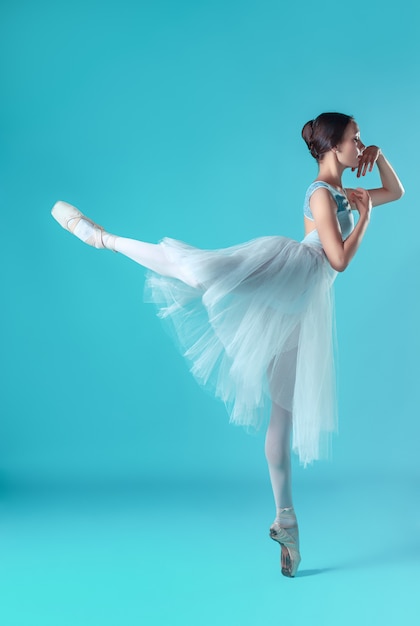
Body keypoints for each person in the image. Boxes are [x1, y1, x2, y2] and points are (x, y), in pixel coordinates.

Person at [51, 112, 404, 578]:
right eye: (357, 140)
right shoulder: (322, 194)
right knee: (196, 269)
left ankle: (287, 522)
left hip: (298, 304)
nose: (362, 146)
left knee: (284, 410)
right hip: (285, 271)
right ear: (335, 147)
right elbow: (337, 259)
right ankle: (104, 239)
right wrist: (366, 218)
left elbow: (396, 192)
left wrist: (380, 159)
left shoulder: (344, 193)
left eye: (362, 141)